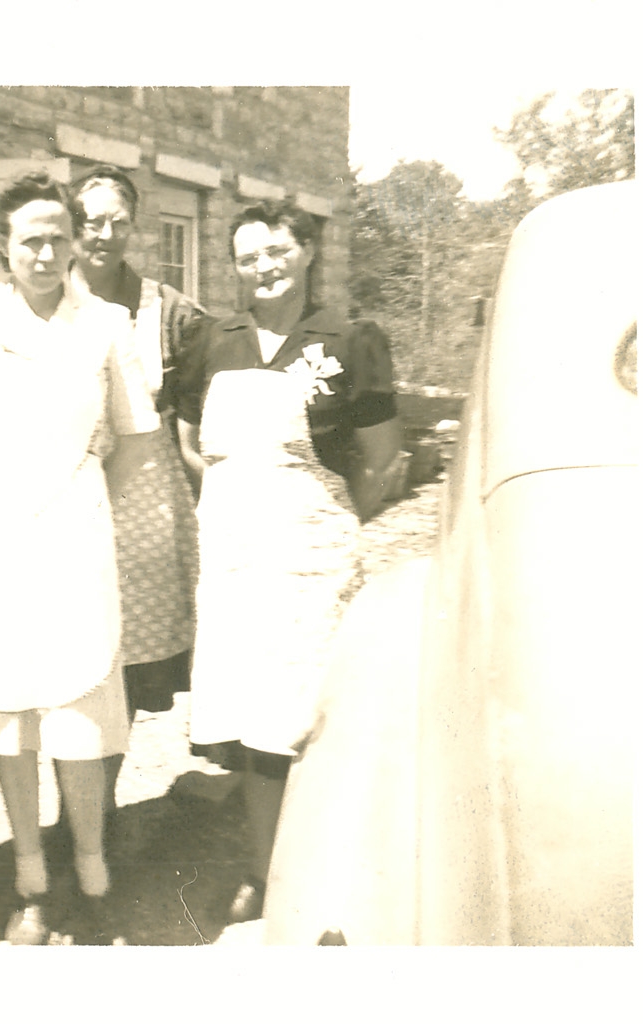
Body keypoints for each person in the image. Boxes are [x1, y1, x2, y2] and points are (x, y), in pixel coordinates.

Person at [0, 171, 159, 944]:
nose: (46, 252)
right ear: (2, 245)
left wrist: (82, 495)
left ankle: (92, 874)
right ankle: (30, 881)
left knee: (78, 707)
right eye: (29, 239)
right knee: (9, 711)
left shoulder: (107, 324)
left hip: (74, 535)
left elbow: (137, 437)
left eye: (59, 237)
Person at [174, 198, 407, 924]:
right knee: (253, 719)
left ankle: (327, 875)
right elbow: (188, 442)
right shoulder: (213, 340)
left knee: (308, 713)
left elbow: (383, 459)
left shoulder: (349, 341)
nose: (264, 267)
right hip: (236, 561)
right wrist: (236, 504)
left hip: (313, 560)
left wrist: (328, 523)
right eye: (248, 257)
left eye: (277, 251)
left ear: (306, 252)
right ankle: (265, 870)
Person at [67, 166, 203, 842]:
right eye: (90, 220)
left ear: (133, 226)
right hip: (62, 498)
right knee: (66, 662)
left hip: (142, 506)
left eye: (116, 221)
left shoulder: (167, 311)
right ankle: (73, 814)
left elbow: (203, 410)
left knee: (123, 670)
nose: (103, 233)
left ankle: (100, 809)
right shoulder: (47, 297)